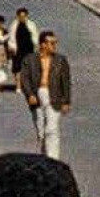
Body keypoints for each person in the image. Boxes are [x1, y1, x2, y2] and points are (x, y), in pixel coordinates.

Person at [19, 30, 72, 160]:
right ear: (42, 44)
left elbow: (66, 81)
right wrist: (30, 94)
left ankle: (54, 160)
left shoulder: (60, 60)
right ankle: (45, 159)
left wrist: (66, 101)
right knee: (41, 131)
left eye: (55, 43)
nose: (54, 46)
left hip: (54, 96)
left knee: (52, 130)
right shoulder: (30, 60)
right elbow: (24, 78)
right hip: (37, 96)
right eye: (51, 43)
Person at [8, 7, 39, 74]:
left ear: (27, 16)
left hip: (29, 49)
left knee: (29, 67)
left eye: (24, 16)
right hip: (18, 50)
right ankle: (18, 84)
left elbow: (35, 36)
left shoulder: (31, 24)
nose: (22, 18)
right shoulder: (14, 25)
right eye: (20, 16)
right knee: (17, 69)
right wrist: (11, 47)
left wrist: (36, 47)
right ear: (18, 16)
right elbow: (11, 37)